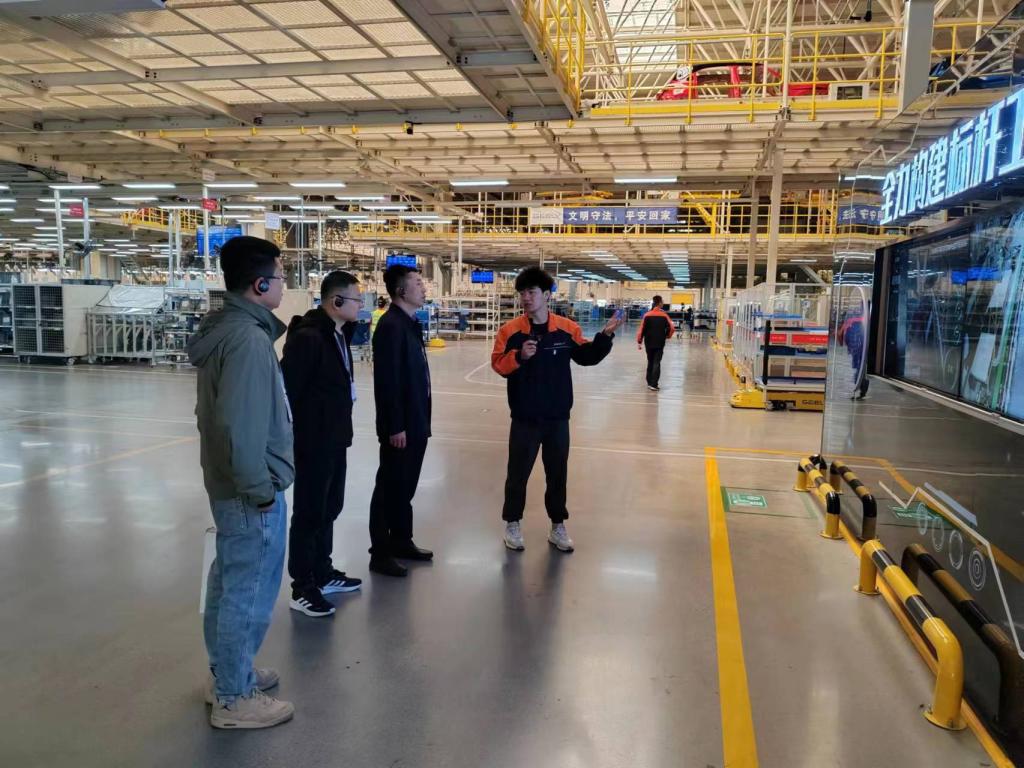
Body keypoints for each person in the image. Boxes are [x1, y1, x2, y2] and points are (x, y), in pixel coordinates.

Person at [186, 236, 295, 730]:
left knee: (229, 582)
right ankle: (234, 698)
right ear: (260, 284)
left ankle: (228, 673)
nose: (283, 285)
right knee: (248, 591)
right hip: (250, 490)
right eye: (280, 276)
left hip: (228, 484)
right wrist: (261, 490)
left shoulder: (226, 329)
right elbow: (240, 424)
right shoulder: (249, 340)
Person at [491, 266, 624, 553]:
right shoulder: (510, 332)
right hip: (525, 418)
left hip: (557, 418)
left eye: (532, 292)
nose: (526, 298)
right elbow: (498, 364)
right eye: (522, 293)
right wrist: (519, 356)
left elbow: (586, 357)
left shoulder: (566, 329)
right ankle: (512, 523)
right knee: (517, 474)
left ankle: (557, 525)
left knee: (557, 474)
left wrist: (605, 336)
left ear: (547, 295)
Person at [281, 271, 364, 619]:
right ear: (336, 301)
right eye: (357, 299)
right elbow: (288, 392)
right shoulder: (309, 338)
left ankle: (322, 571)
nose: (361, 306)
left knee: (330, 507)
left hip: (335, 437)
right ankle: (302, 586)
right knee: (310, 512)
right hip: (313, 440)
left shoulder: (337, 334)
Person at [368, 264, 434, 577]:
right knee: (389, 488)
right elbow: (388, 382)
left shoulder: (409, 323)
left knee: (405, 487)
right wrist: (396, 426)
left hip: (416, 420)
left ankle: (401, 540)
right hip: (401, 426)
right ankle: (380, 553)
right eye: (417, 283)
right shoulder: (391, 326)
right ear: (401, 291)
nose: (423, 288)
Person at [636, 295, 675, 391]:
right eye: (662, 301)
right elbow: (672, 327)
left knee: (650, 361)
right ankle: (654, 384)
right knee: (657, 362)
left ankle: (649, 382)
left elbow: (641, 329)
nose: (663, 303)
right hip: (660, 342)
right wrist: (668, 336)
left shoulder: (647, 315)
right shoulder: (664, 315)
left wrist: (639, 341)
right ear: (659, 303)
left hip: (648, 342)